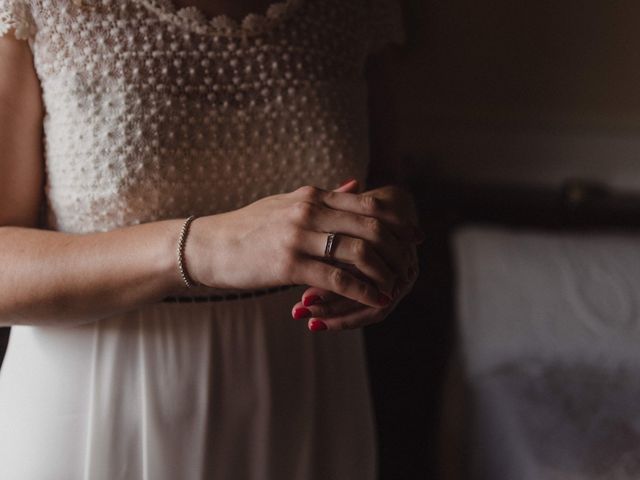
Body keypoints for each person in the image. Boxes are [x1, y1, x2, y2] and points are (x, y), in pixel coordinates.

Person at [0, 0, 421, 478]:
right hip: (101, 404)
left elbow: (387, 181)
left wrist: (388, 238)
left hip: (309, 390)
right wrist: (203, 247)